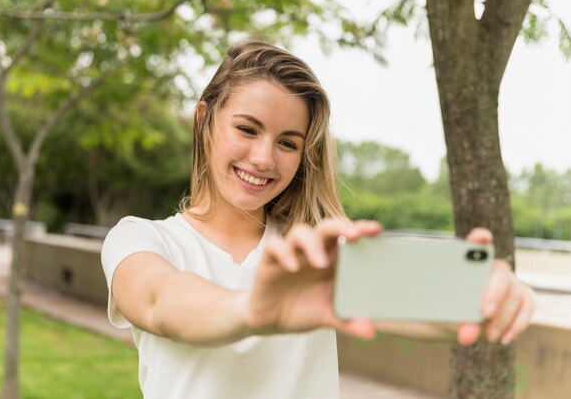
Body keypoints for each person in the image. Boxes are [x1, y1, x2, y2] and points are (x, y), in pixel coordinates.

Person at [101, 41, 535, 399]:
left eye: (287, 143)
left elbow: (432, 310)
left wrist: (485, 295)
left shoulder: (313, 256)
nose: (264, 158)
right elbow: (159, 302)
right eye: (247, 130)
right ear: (204, 120)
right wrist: (253, 309)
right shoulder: (141, 238)